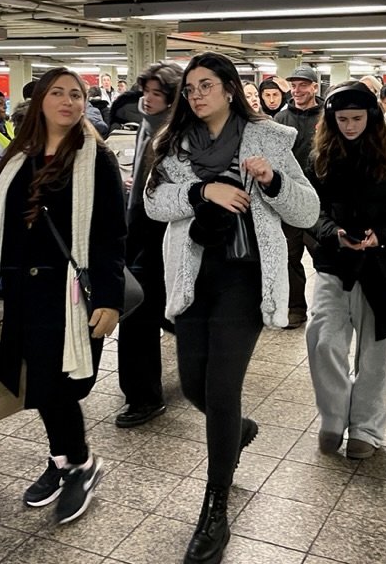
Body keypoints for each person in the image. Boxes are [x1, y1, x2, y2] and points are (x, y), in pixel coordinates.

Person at [145, 52, 318, 564]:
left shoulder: (268, 140)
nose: (196, 95)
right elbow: (156, 204)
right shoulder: (173, 146)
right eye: (190, 88)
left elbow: (307, 210)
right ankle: (237, 430)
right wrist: (204, 190)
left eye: (206, 86)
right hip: (193, 277)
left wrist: (273, 183)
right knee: (196, 385)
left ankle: (214, 505)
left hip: (244, 281)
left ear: (228, 89)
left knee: (221, 389)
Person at [0, 67, 126, 524]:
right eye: (57, 93)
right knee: (36, 383)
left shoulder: (95, 159)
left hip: (71, 292)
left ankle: (78, 462)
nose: (68, 101)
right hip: (23, 288)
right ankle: (64, 460)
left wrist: (110, 297)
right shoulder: (20, 156)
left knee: (60, 386)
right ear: (40, 100)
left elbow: (110, 234)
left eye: (76, 94)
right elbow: (0, 223)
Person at [306, 82, 386, 459]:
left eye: (357, 118)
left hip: (380, 267)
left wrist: (383, 236)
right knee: (323, 340)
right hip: (334, 263)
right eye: (341, 119)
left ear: (372, 116)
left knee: (374, 353)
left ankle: (366, 428)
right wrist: (334, 234)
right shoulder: (321, 156)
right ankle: (333, 418)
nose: (349, 126)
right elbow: (308, 211)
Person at [115, 61, 184, 428]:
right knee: (146, 308)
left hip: (163, 231)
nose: (149, 98)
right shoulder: (148, 126)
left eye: (158, 93)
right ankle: (143, 387)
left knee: (137, 313)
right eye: (146, 91)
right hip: (139, 226)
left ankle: (144, 396)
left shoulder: (178, 133)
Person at [274, 65, 324, 328]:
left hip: (321, 201)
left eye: (303, 85)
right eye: (294, 85)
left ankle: (329, 308)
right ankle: (295, 308)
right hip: (290, 199)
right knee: (290, 257)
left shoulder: (328, 116)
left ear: (314, 87)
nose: (298, 90)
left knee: (324, 254)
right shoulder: (281, 119)